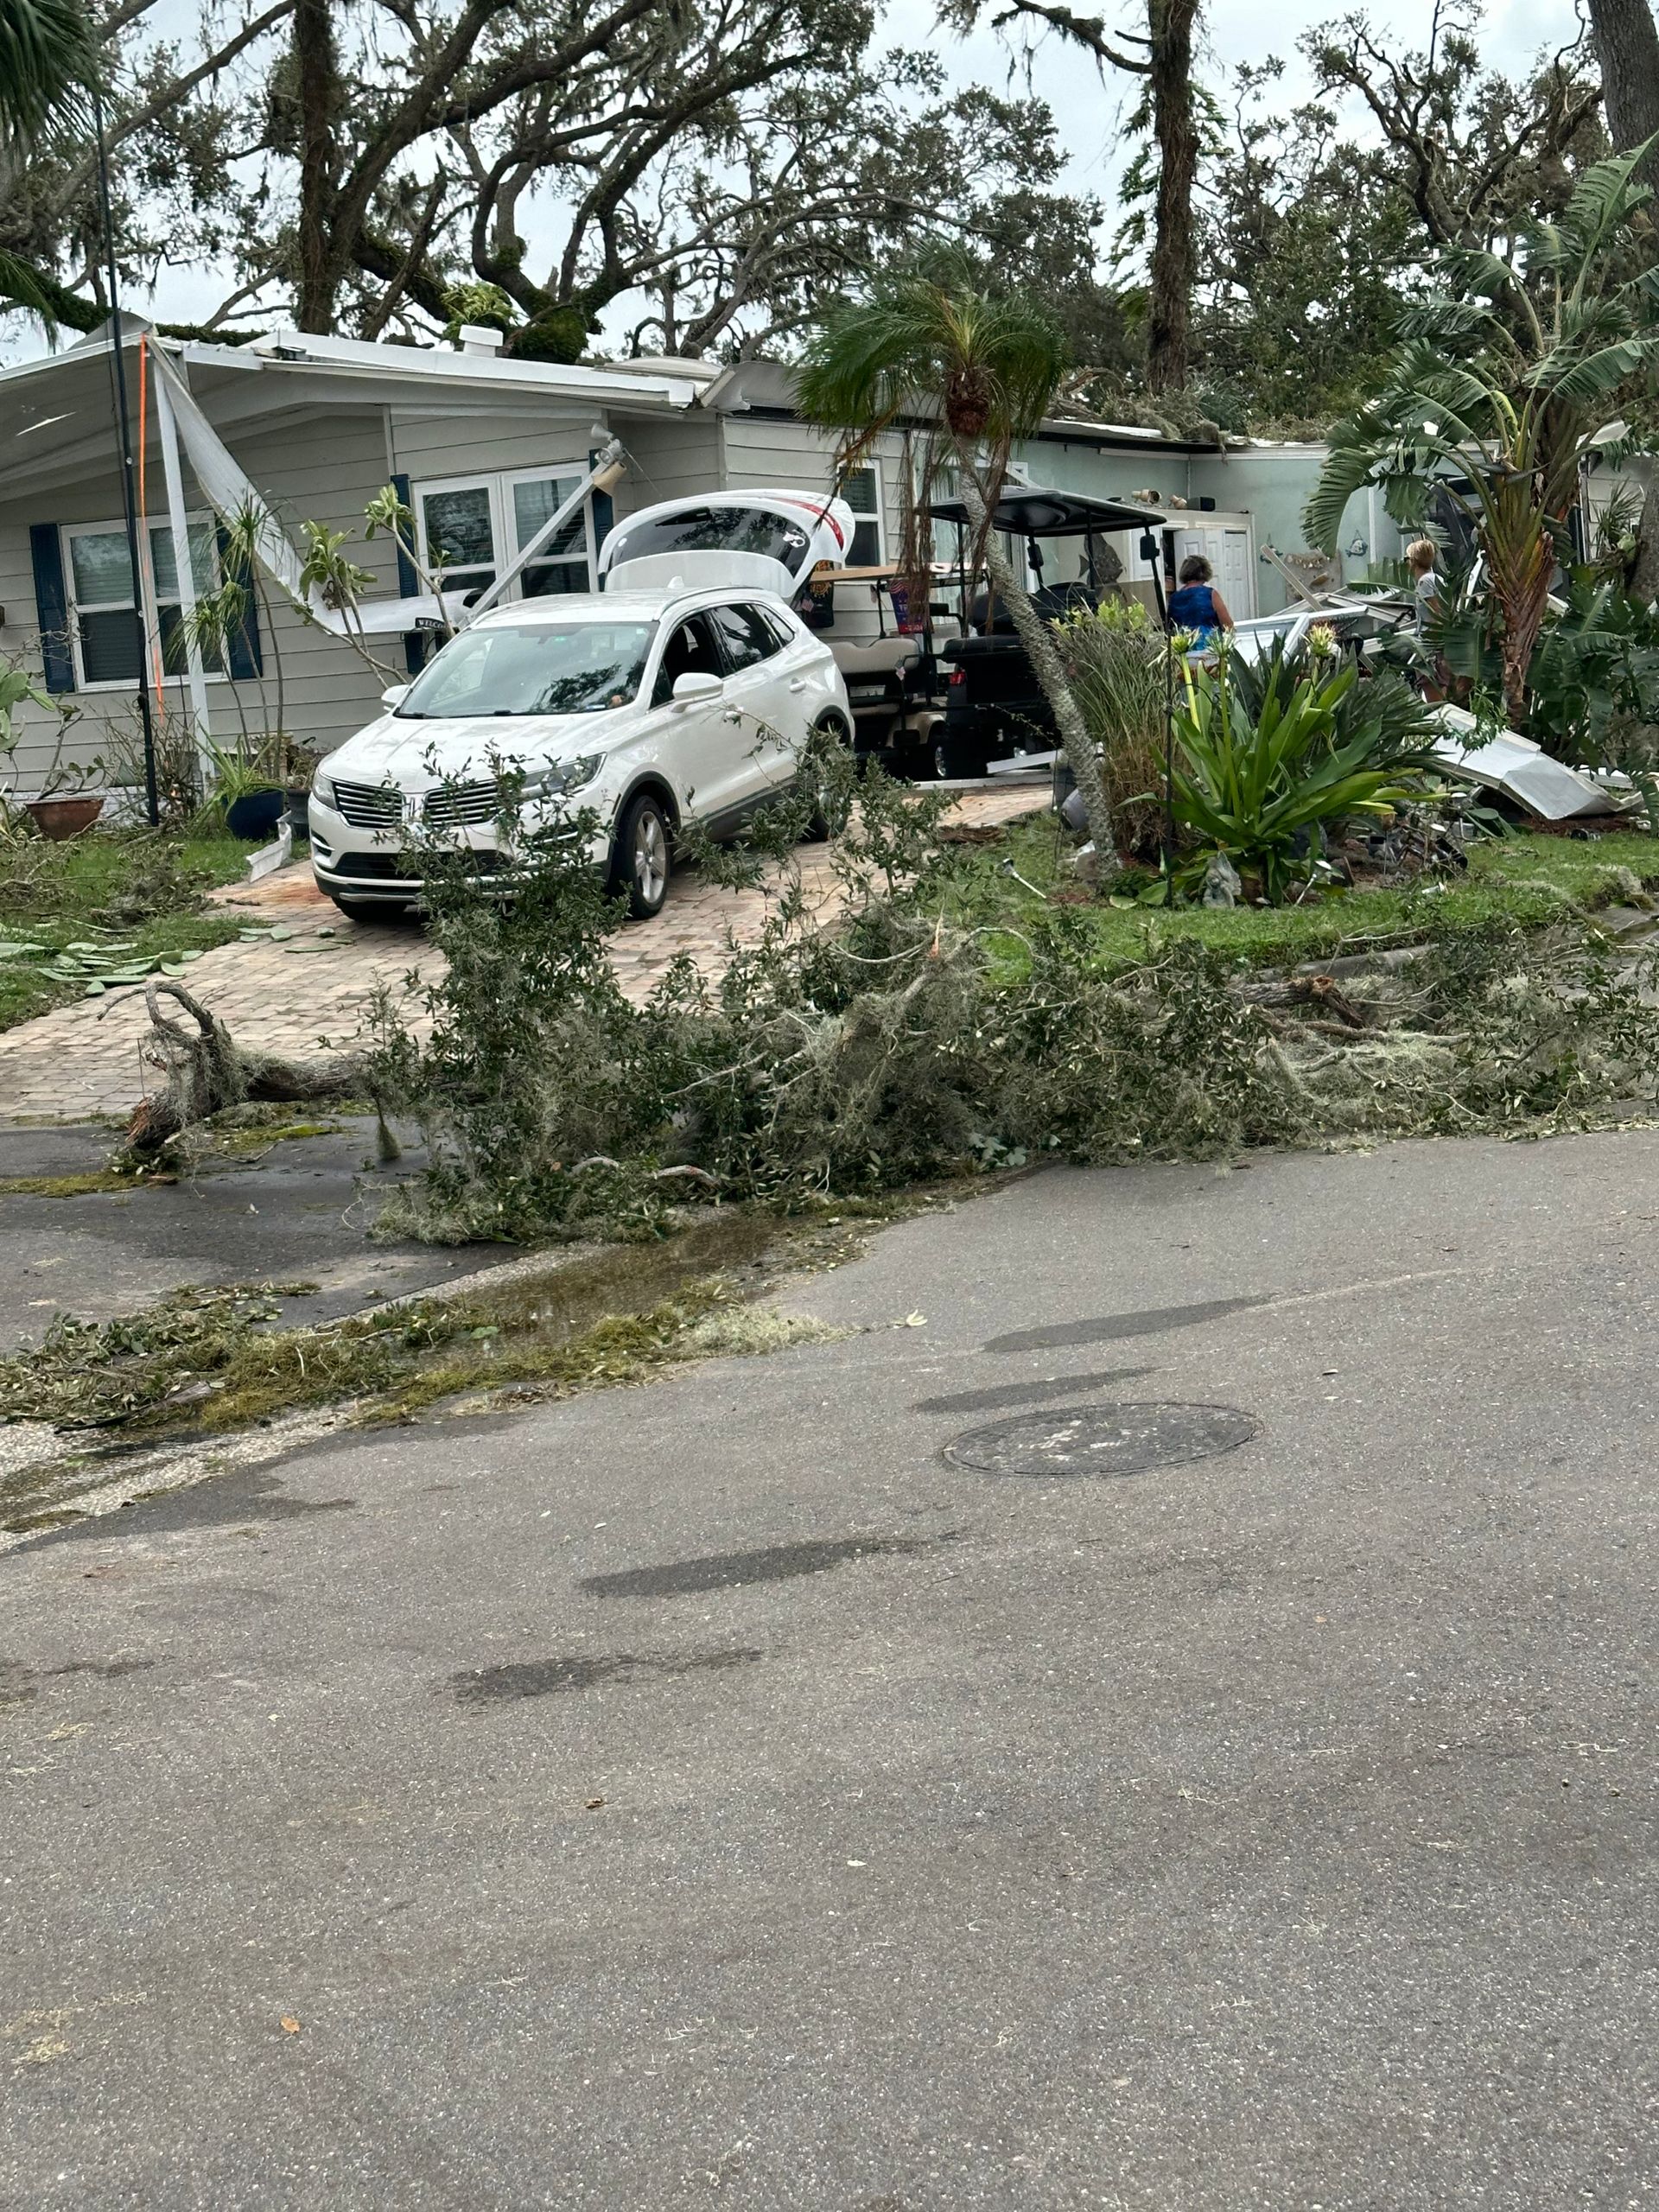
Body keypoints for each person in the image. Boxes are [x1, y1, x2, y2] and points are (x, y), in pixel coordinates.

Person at [1166, 556, 1234, 645]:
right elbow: (1228, 625)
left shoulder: (1174, 599)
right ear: (1205, 571)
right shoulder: (1211, 594)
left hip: (1183, 651)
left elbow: (1169, 628)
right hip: (1208, 649)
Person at [1406, 538, 1443, 634]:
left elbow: (1436, 613)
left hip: (1429, 640)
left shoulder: (1424, 582)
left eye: (1407, 559)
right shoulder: (1435, 577)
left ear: (1413, 561)